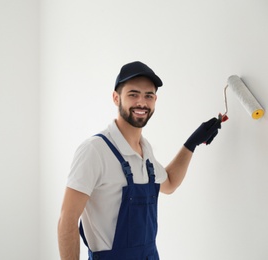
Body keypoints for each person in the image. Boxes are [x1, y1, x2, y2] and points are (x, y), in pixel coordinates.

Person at [57, 61, 222, 260]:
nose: (142, 103)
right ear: (116, 98)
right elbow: (67, 221)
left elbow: (169, 183)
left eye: (148, 96)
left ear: (155, 100)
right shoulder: (94, 150)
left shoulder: (145, 151)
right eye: (133, 94)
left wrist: (192, 144)